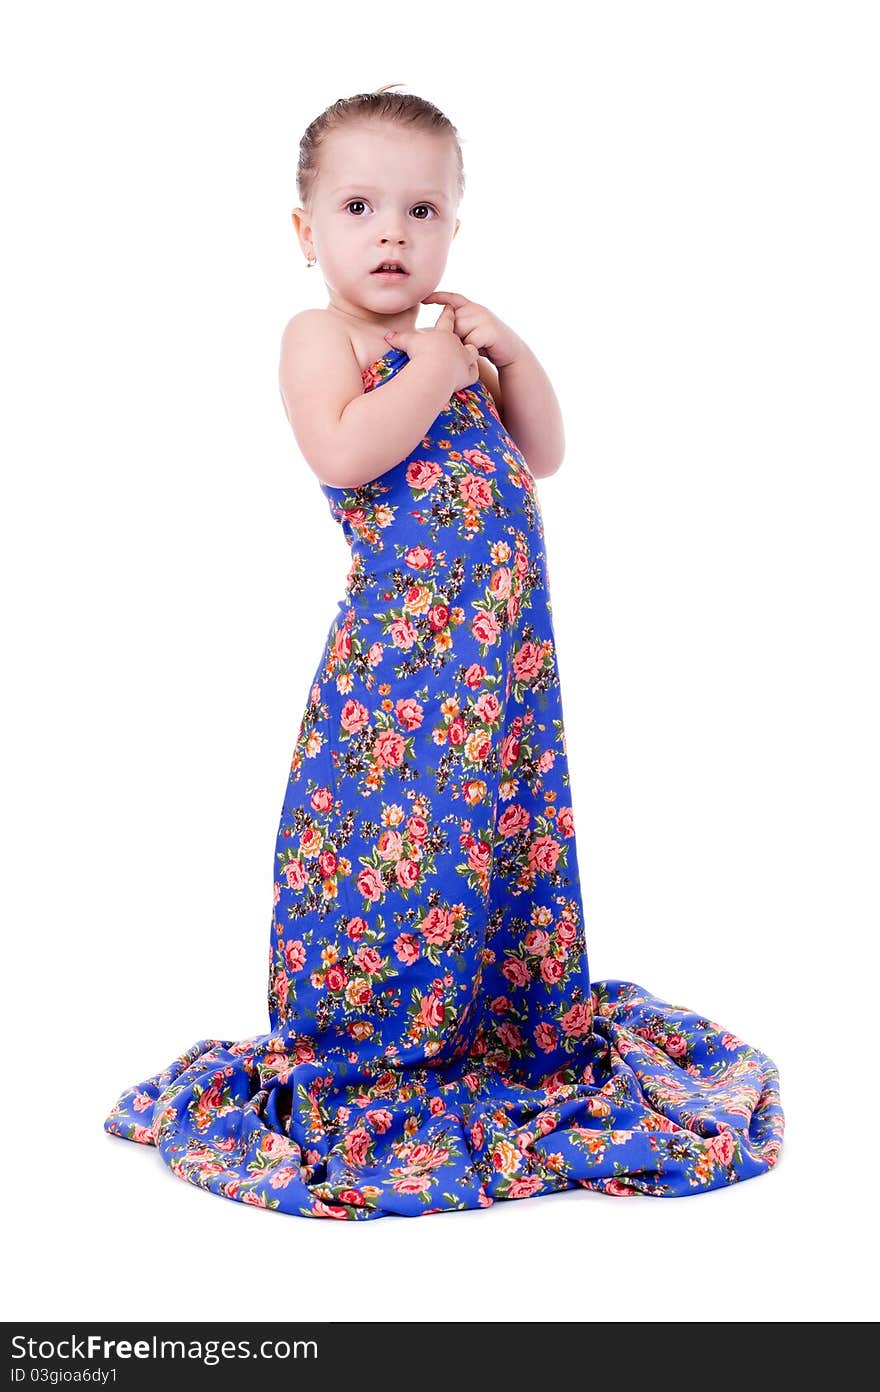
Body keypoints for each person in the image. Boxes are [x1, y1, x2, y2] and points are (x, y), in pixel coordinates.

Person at [103, 85, 785, 1219]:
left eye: (422, 211)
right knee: (400, 845)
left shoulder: (456, 340)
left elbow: (546, 452)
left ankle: (494, 1016)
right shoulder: (326, 339)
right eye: (360, 206)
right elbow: (346, 451)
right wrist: (432, 364)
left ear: (453, 227)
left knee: (492, 841)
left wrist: (507, 354)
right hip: (406, 668)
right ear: (304, 230)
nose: (391, 233)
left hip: (503, 669)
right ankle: (377, 1034)